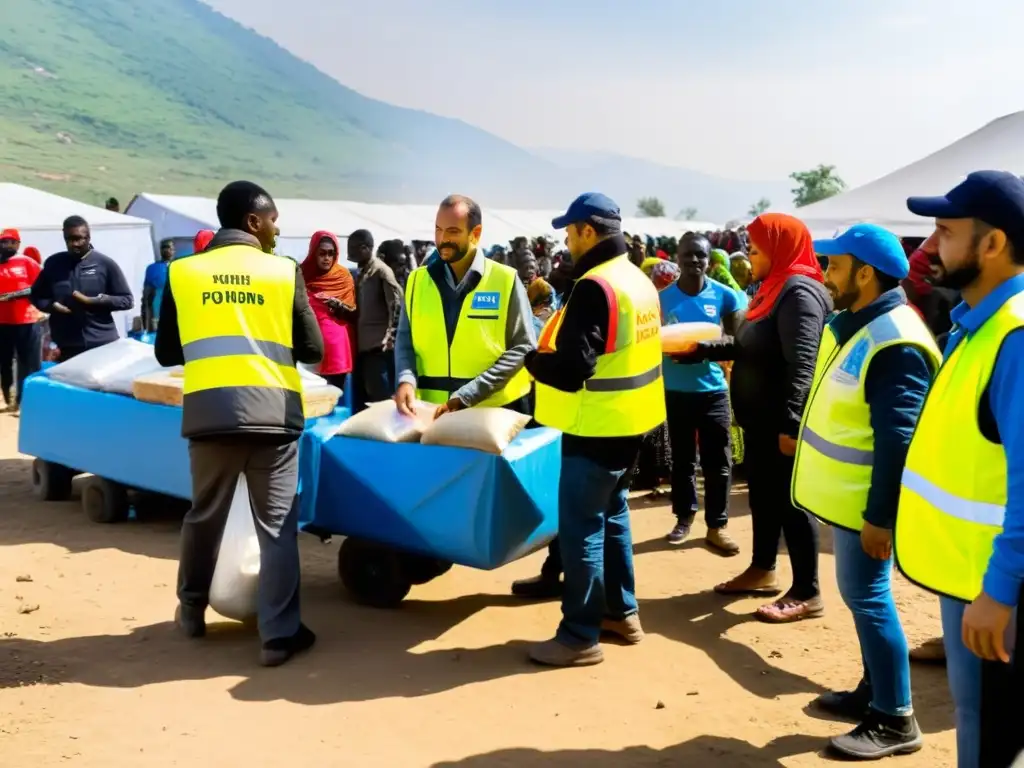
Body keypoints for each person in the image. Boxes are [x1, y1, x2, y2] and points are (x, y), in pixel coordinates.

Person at [154, 180, 324, 668]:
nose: (276, 228)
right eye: (272, 219)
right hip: (273, 418)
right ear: (253, 221)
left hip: (209, 416)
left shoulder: (183, 272)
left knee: (203, 515)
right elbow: (313, 350)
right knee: (276, 529)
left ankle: (190, 609)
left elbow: (167, 351)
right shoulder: (281, 272)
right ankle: (278, 636)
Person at [794, 224, 939, 759]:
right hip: (849, 500)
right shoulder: (856, 323)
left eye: (834, 265)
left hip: (866, 506)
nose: (826, 274)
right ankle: (873, 691)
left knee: (870, 600)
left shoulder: (894, 341)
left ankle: (895, 719)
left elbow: (897, 443)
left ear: (865, 272)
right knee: (861, 600)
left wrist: (881, 517)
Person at [895, 171, 1024, 768]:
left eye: (944, 231)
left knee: (990, 738)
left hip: (998, 586)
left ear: (992, 244)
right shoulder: (979, 325)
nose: (926, 247)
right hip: (974, 575)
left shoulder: (1016, 338)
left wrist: (999, 591)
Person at [527, 193, 665, 667]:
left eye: (569, 232)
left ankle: (578, 636)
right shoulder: (637, 280)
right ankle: (621, 613)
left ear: (588, 231)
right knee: (612, 515)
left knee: (582, 526)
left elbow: (572, 370)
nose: (566, 241)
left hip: (596, 425)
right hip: (633, 422)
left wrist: (534, 362)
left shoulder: (594, 286)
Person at [675, 213, 832, 622]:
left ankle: (807, 591)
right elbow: (748, 345)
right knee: (763, 496)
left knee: (791, 503)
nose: (750, 253)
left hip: (781, 422)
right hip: (758, 422)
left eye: (758, 246)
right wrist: (703, 350)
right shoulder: (771, 290)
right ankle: (763, 569)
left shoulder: (799, 293)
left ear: (781, 247)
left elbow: (803, 363)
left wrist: (792, 422)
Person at [394, 195, 536, 419]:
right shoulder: (416, 281)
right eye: (438, 230)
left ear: (475, 234)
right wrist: (406, 380)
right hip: (430, 413)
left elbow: (523, 347)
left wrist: (468, 395)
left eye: (452, 232)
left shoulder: (505, 280)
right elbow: (405, 341)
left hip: (494, 413)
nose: (442, 239)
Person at [660, 233, 743, 554]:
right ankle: (683, 517)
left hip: (713, 393)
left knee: (718, 462)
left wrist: (703, 351)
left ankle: (717, 526)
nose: (694, 261)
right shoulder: (662, 300)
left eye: (701, 255)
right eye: (688, 255)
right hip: (675, 392)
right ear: (677, 258)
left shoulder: (725, 297)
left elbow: (738, 341)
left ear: (710, 260)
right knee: (681, 461)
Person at [30, 216, 134, 361]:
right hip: (66, 345)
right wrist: (52, 306)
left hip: (101, 343)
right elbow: (37, 295)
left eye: (79, 238)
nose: (75, 244)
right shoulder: (54, 263)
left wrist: (95, 301)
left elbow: (127, 300)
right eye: (70, 239)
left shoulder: (105, 264)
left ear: (88, 237)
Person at [346, 229, 402, 409]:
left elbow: (396, 305)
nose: (350, 253)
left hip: (378, 349)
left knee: (380, 402)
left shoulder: (381, 272)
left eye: (353, 248)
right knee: (361, 401)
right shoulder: (362, 273)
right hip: (363, 349)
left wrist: (390, 337)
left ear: (365, 248)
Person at [301, 231, 355, 391]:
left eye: (331, 254)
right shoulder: (302, 274)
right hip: (310, 348)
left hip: (337, 347)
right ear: (313, 253)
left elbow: (353, 312)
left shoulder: (343, 277)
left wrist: (338, 305)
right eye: (322, 253)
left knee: (336, 399)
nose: (327, 258)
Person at [0, 228, 42, 411]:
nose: (7, 245)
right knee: (4, 361)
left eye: (11, 242)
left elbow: (42, 286)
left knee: (27, 361)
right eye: (4, 242)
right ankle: (8, 395)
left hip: (27, 320)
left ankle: (23, 399)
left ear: (18, 244)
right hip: (2, 321)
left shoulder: (27, 262)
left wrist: (16, 295)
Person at [142, 239, 174, 331]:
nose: (167, 250)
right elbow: (146, 296)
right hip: (159, 311)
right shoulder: (152, 268)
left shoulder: (178, 266)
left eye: (169, 248)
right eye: (165, 248)